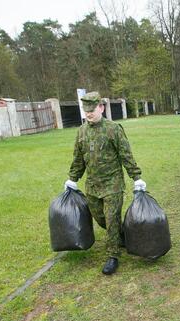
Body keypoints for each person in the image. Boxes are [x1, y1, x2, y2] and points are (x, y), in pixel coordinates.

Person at [65, 92, 144, 275]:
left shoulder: (114, 129)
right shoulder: (82, 131)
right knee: (100, 218)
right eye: (86, 111)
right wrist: (72, 178)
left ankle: (113, 256)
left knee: (111, 220)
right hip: (92, 186)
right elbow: (78, 159)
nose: (88, 114)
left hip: (113, 184)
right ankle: (123, 236)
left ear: (101, 107)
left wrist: (136, 177)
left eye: (92, 110)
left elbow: (126, 155)